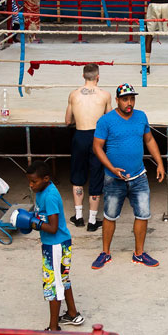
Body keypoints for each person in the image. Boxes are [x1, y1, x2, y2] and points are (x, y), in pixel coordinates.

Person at [91, 84, 165, 269]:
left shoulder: (141, 116)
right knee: (110, 216)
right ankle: (105, 253)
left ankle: (139, 254)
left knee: (143, 215)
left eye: (132, 99)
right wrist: (111, 168)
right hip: (114, 178)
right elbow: (97, 147)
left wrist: (160, 163)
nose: (129, 103)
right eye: (125, 99)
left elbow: (149, 139)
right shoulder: (106, 120)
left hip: (139, 176)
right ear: (117, 100)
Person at [24, 162, 84, 335]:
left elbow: (52, 227)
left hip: (55, 245)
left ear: (46, 179)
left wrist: (33, 223)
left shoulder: (49, 196)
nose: (31, 185)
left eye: (34, 182)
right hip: (59, 243)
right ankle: (72, 314)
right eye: (29, 182)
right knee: (63, 279)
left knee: (53, 285)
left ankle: (53, 329)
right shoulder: (42, 191)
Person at [65, 64, 113, 232]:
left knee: (78, 175)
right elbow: (109, 120)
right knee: (96, 175)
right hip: (97, 137)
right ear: (98, 77)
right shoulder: (105, 95)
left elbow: (68, 121)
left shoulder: (74, 94)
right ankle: (92, 221)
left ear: (83, 76)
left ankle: (78, 217)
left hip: (80, 135)